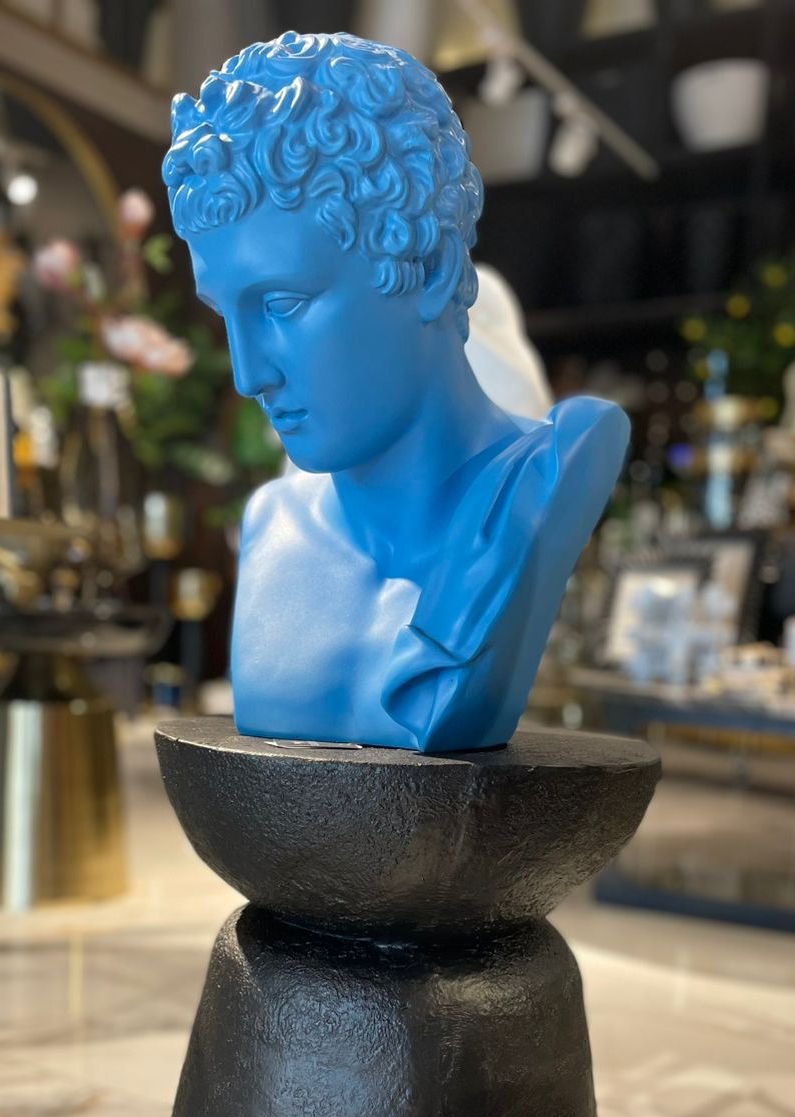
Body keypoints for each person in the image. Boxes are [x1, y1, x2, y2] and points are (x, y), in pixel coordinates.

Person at [164, 30, 629, 751]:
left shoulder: (549, 478)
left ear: (432, 268)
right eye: (226, 315)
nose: (250, 375)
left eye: (283, 304)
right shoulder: (272, 524)